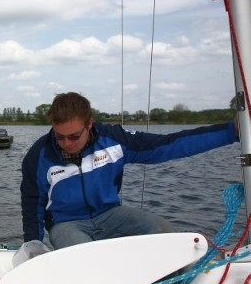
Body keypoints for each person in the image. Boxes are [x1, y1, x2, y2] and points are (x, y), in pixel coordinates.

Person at [21, 92, 239, 250]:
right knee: (84, 254)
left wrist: (232, 132)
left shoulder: (114, 140)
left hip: (110, 214)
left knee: (162, 231)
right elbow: (32, 205)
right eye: (59, 136)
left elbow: (168, 145)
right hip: (65, 223)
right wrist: (33, 245)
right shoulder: (39, 155)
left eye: (74, 136)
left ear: (89, 125)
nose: (66, 143)